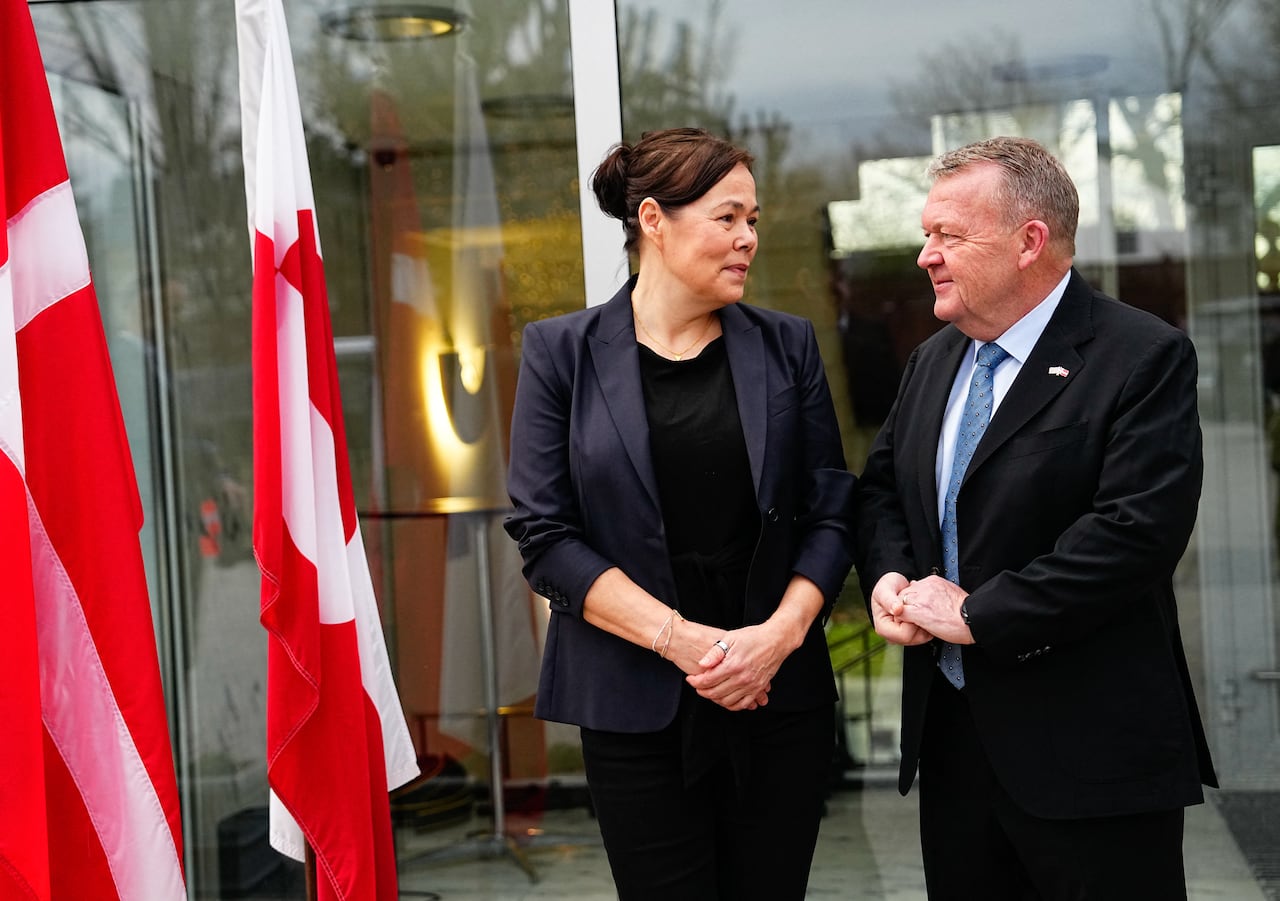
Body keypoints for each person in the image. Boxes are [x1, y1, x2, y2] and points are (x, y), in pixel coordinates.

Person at [852, 136, 1218, 900]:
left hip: (1092, 759)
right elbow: (883, 490)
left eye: (949, 235)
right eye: (926, 233)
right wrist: (890, 576)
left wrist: (978, 614)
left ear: (1029, 241)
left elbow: (1133, 534)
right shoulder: (933, 360)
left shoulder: (1142, 356)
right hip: (956, 754)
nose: (926, 255)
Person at [504, 127, 856, 899]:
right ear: (653, 221)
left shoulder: (787, 346)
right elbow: (545, 535)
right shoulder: (560, 353)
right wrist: (685, 642)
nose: (748, 238)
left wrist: (776, 639)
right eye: (727, 218)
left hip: (775, 692)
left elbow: (830, 514)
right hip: (633, 701)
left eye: (753, 220)